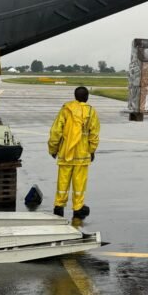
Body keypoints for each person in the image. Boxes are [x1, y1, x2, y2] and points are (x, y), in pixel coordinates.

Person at [48, 85, 100, 219]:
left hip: (66, 152)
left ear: (75, 96)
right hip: (82, 154)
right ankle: (78, 208)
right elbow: (94, 133)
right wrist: (92, 150)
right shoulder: (91, 111)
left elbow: (56, 131)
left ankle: (59, 206)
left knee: (62, 181)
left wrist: (53, 149)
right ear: (86, 98)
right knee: (79, 182)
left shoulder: (66, 109)